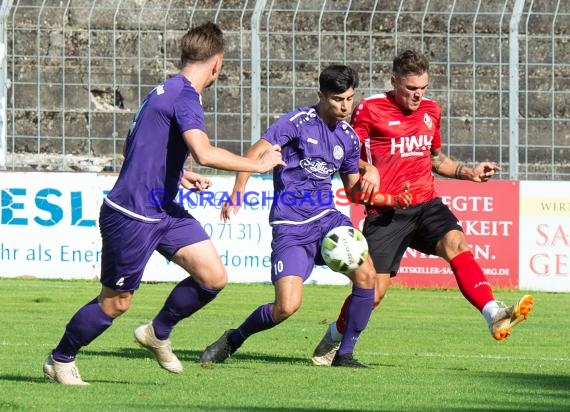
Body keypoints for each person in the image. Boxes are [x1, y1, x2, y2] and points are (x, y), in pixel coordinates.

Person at [42, 21, 286, 385]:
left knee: (213, 277)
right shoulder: (184, 96)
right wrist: (259, 164)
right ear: (216, 63)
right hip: (132, 214)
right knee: (116, 302)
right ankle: (60, 359)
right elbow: (203, 152)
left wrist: (179, 175)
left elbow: (135, 147)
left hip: (162, 207)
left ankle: (157, 332)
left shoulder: (163, 90)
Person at [311, 49, 535, 366]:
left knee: (457, 243)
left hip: (426, 202)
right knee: (373, 292)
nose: (418, 95)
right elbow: (344, 151)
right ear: (394, 81)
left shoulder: (431, 110)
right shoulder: (370, 109)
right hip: (387, 211)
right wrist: (366, 167)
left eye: (423, 88)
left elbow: (435, 160)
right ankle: (334, 338)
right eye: (411, 88)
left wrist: (470, 173)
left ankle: (494, 313)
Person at [198, 65, 412, 368]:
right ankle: (233, 339)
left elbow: (352, 191)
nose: (345, 106)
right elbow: (253, 154)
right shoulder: (296, 123)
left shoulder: (349, 138)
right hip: (291, 226)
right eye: (338, 99)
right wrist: (238, 191)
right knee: (286, 306)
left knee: (368, 278)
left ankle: (344, 354)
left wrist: (387, 198)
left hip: (327, 219)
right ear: (321, 95)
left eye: (350, 98)